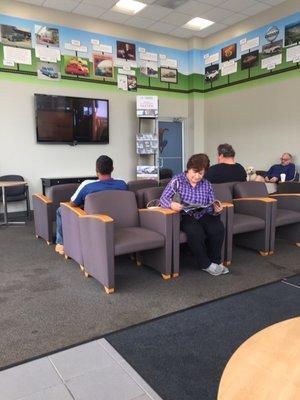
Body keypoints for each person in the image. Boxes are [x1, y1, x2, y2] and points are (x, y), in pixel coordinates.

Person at [160, 153, 229, 276]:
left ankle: (215, 261)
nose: (197, 176)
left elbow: (211, 202)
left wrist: (215, 208)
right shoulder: (177, 180)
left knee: (218, 228)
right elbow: (163, 198)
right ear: (188, 168)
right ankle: (205, 264)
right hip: (186, 215)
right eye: (194, 172)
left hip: (203, 213)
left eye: (201, 173)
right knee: (195, 231)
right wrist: (171, 205)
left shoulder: (206, 184)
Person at [55, 155, 127, 255]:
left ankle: (61, 243)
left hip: (93, 221)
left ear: (96, 170)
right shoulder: (122, 184)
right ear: (112, 169)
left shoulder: (88, 186)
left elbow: (72, 203)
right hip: (117, 221)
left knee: (60, 210)